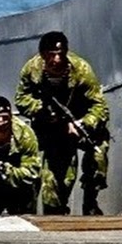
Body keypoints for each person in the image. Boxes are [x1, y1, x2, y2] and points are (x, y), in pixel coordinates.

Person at [14, 31, 109, 215]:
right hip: (51, 128)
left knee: (98, 156)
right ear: (42, 55)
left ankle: (90, 203)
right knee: (56, 182)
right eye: (51, 54)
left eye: (61, 54)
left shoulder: (81, 69)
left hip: (79, 123)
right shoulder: (31, 70)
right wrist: (41, 111)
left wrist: (85, 123)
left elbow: (100, 106)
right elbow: (21, 99)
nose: (57, 60)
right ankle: (56, 212)